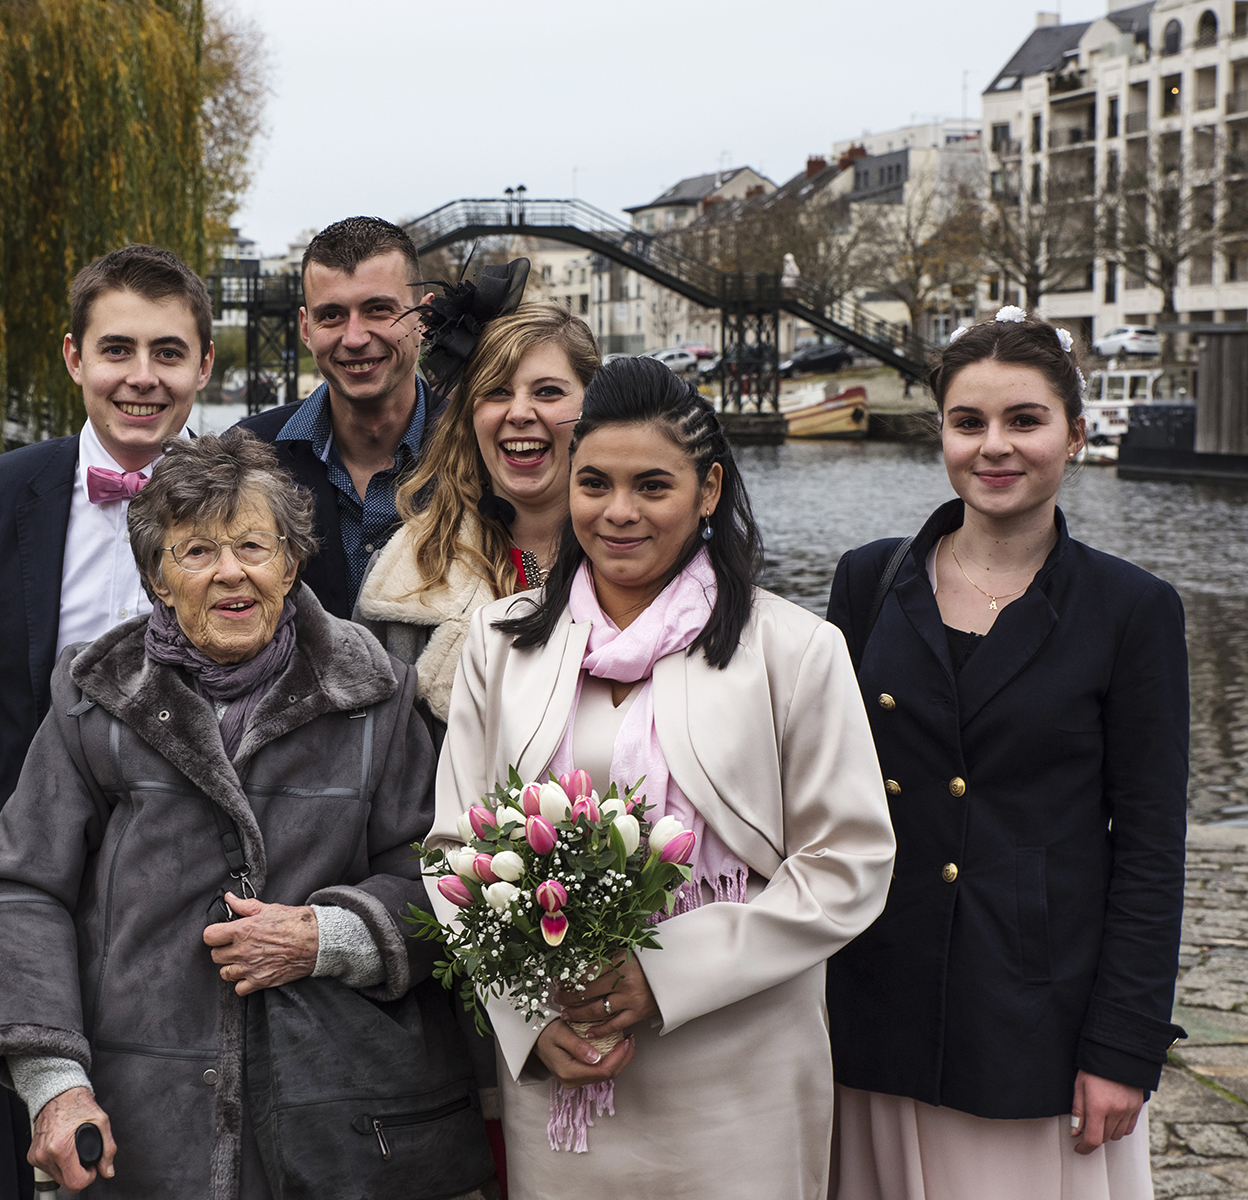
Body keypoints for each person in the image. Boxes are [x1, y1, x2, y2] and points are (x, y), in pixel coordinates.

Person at [427, 357, 896, 1198]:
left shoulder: (794, 649)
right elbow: (453, 853)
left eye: (652, 486)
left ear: (709, 489)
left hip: (741, 1061)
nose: (618, 513)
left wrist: (664, 973)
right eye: (595, 483)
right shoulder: (500, 643)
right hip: (567, 1057)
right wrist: (529, 1023)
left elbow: (850, 864)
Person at [0, 430, 454, 1196]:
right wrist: (56, 1083)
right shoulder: (97, 694)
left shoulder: (372, 693)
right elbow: (15, 888)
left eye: (255, 546)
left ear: (291, 562)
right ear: (157, 575)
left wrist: (329, 936)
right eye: (196, 551)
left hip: (332, 1108)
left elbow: (439, 877)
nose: (232, 573)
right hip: (140, 1113)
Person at [825, 310, 1188, 1200]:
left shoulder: (1132, 609)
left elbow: (1149, 849)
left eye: (1024, 420)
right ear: (938, 431)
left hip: (1035, 1022)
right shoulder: (868, 580)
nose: (995, 447)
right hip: (876, 1003)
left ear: (1075, 430)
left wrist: (1124, 1049)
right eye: (968, 422)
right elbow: (821, 794)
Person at [0, 243, 214, 1199]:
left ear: (203, 366)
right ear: (73, 358)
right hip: (30, 886)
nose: (143, 377)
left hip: (192, 892)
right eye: (118, 349)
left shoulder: (252, 497)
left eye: (168, 352)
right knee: (40, 1159)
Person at [358, 302, 599, 726]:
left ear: (592, 409)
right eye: (497, 392)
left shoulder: (641, 560)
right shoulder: (404, 573)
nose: (520, 413)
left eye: (547, 392)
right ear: (471, 415)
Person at [237, 216, 445, 618]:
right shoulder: (247, 456)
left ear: (423, 318)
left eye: (378, 310)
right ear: (305, 327)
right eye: (331, 315)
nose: (354, 338)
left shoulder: (478, 449)